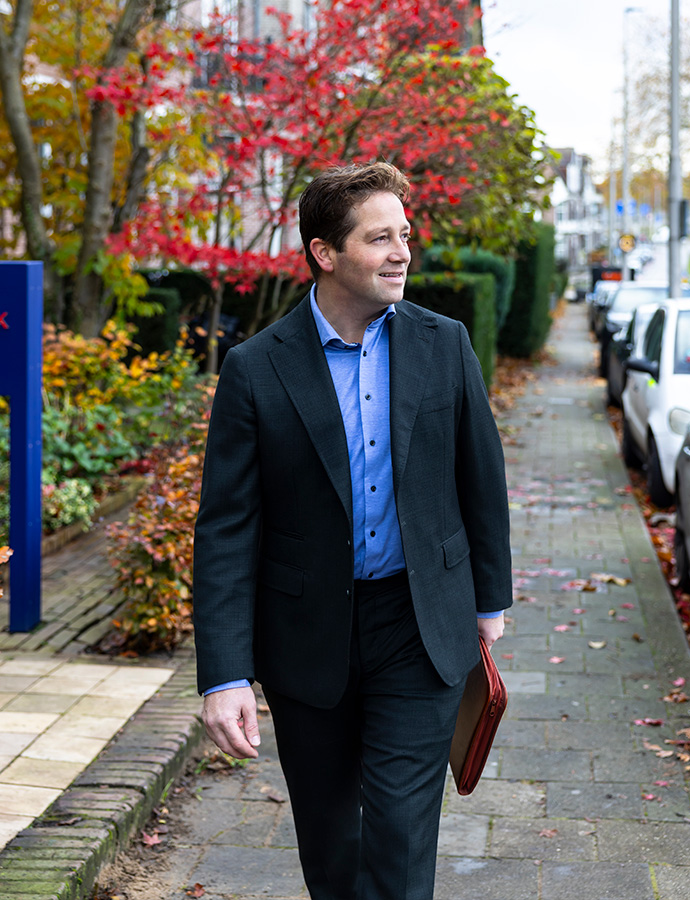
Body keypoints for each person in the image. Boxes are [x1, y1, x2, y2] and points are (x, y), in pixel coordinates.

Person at [193, 162, 512, 900]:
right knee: (333, 847)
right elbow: (228, 530)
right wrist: (225, 673)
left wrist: (487, 604)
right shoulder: (255, 370)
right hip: (307, 638)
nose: (402, 251)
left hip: (419, 624)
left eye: (404, 235)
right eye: (379, 238)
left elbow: (480, 479)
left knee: (400, 841)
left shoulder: (445, 344)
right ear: (325, 253)